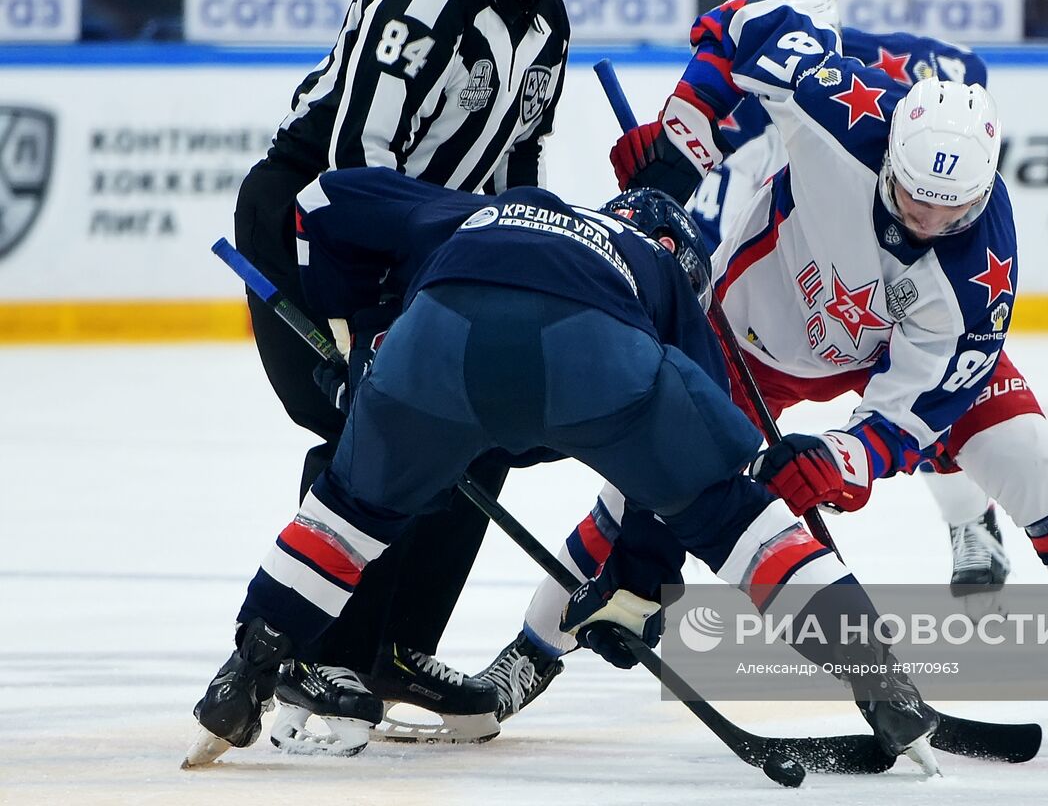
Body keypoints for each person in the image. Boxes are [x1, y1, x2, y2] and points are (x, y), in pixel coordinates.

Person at [493, 0, 1048, 747]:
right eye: (914, 198)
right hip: (750, 336)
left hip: (892, 349)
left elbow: (919, 405)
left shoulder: (978, 271)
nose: (927, 224)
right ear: (890, 155)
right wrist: (683, 134)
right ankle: (528, 654)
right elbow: (738, 23)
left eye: (952, 211)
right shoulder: (836, 109)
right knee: (639, 491)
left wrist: (842, 458)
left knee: (1033, 457)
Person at [185, 170, 942, 775]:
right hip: (594, 357)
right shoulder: (662, 272)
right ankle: (881, 680)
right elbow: (681, 481)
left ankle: (243, 672)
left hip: (438, 345)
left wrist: (363, 350)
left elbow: (322, 199)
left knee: (347, 514)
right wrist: (639, 588)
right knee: (733, 515)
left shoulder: (480, 210)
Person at [229, 0, 613, 752]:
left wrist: (521, 279)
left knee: (473, 434)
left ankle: (393, 649)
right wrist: (368, 326)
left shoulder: (547, 24)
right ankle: (311, 656)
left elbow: (513, 171)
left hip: (421, 246)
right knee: (368, 425)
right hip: (309, 228)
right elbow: (351, 176)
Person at [681, 0, 1009, 606]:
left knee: (928, 406)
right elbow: (713, 211)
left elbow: (966, 74)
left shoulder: (867, 73)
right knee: (705, 435)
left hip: (885, 279)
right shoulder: (740, 103)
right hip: (793, 287)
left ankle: (970, 519)